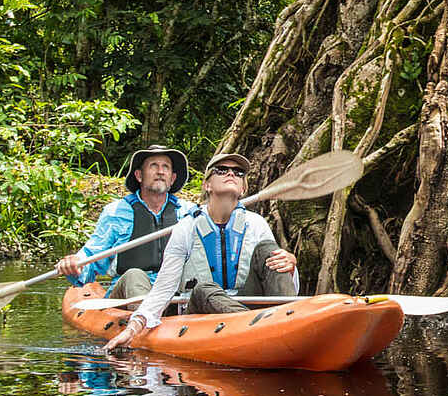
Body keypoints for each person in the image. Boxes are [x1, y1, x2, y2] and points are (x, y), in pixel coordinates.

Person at [105, 152, 299, 351]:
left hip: (248, 306)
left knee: (271, 252)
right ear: (207, 185)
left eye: (239, 172)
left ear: (243, 188)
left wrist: (290, 266)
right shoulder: (186, 227)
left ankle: (291, 324)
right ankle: (261, 332)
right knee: (203, 289)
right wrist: (135, 326)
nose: (231, 174)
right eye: (222, 170)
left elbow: (280, 277)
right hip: (201, 312)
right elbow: (163, 288)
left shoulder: (256, 223)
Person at [56, 144, 193, 299]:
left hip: (175, 292)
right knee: (134, 276)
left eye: (166, 167)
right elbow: (92, 254)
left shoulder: (188, 213)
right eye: (153, 166)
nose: (160, 172)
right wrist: (76, 264)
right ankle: (144, 319)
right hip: (128, 293)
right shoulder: (116, 213)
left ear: (172, 178)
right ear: (139, 175)